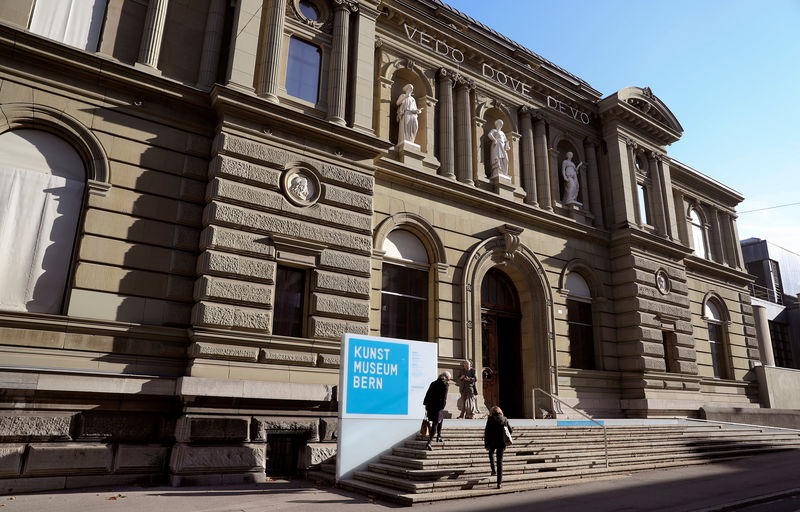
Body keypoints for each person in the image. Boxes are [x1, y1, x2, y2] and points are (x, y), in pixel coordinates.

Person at [484, 405, 512, 489]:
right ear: (500, 411)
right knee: (500, 462)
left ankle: (493, 469)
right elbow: (510, 430)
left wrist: (486, 444)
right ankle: (499, 483)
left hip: (492, 442)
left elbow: (486, 432)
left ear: (492, 412)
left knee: (491, 453)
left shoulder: (490, 419)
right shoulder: (504, 419)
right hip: (501, 443)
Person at [422, 371, 450, 450]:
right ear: (447, 378)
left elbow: (428, 394)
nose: (449, 380)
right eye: (449, 378)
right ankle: (429, 442)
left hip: (430, 406)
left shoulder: (433, 383)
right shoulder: (445, 385)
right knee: (435, 423)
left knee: (440, 420)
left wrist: (426, 405)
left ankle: (439, 436)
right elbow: (444, 398)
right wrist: (442, 406)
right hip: (438, 407)